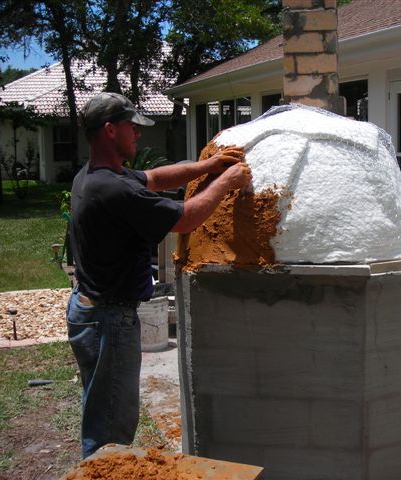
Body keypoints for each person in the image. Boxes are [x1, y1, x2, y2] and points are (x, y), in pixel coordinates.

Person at [66, 92, 251, 458]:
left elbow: (155, 177)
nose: (138, 134)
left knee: (102, 410)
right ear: (109, 131)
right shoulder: (113, 189)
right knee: (110, 431)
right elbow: (188, 217)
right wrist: (227, 181)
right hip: (109, 320)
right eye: (131, 127)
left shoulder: (94, 176)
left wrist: (204, 167)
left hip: (90, 311)